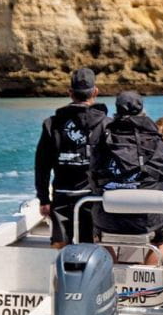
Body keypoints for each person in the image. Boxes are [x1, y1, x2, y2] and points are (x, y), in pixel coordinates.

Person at [90, 91, 163, 265]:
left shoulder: (105, 137)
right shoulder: (154, 137)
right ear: (141, 108)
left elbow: (94, 172)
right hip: (147, 219)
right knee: (162, 235)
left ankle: (111, 272)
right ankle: (150, 280)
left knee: (97, 233)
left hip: (108, 218)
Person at [35, 67, 111, 249]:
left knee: (59, 243)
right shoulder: (106, 124)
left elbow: (42, 165)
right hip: (93, 196)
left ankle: (57, 276)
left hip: (62, 194)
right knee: (92, 243)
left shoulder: (51, 124)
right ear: (95, 92)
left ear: (70, 93)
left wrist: (44, 199)